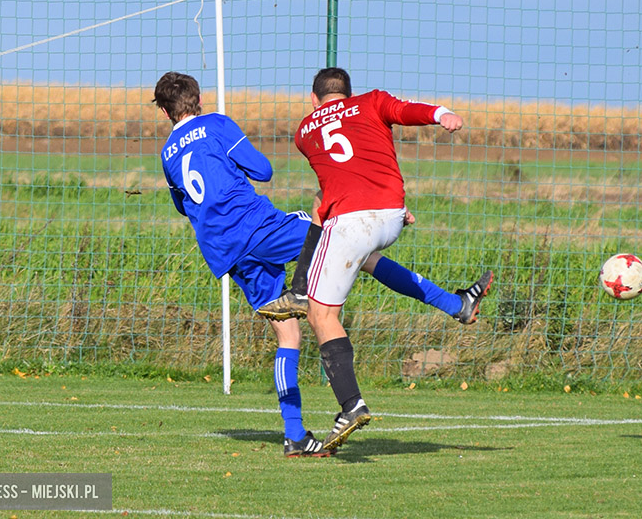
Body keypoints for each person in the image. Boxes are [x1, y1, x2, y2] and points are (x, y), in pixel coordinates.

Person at [295, 67, 493, 450]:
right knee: (366, 260)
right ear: (348, 94)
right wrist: (442, 114)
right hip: (391, 213)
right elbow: (407, 111)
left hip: (352, 219)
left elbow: (327, 195)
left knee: (320, 314)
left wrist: (301, 281)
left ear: (313, 99)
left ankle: (351, 405)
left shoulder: (305, 132)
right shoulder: (370, 102)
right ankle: (458, 305)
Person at [152, 71, 331, 458]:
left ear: (165, 111)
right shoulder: (216, 123)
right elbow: (264, 171)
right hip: (257, 227)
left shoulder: (167, 153)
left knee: (288, 335)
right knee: (332, 226)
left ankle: (295, 435)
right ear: (198, 100)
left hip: (227, 252)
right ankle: (450, 302)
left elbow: (182, 205)